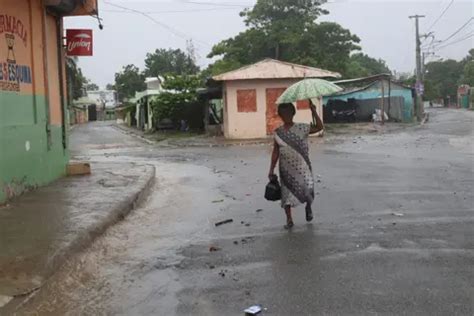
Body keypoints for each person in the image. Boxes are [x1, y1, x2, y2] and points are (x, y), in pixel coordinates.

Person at [268, 101, 324, 229]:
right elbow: (275, 151)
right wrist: (271, 169)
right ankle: (289, 219)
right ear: (280, 115)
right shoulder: (278, 133)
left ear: (293, 113)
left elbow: (319, 127)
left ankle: (308, 207)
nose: (286, 115)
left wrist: (314, 111)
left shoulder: (302, 128)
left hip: (303, 166)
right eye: (283, 113)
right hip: (286, 168)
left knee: (307, 190)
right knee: (286, 193)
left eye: (288, 112)